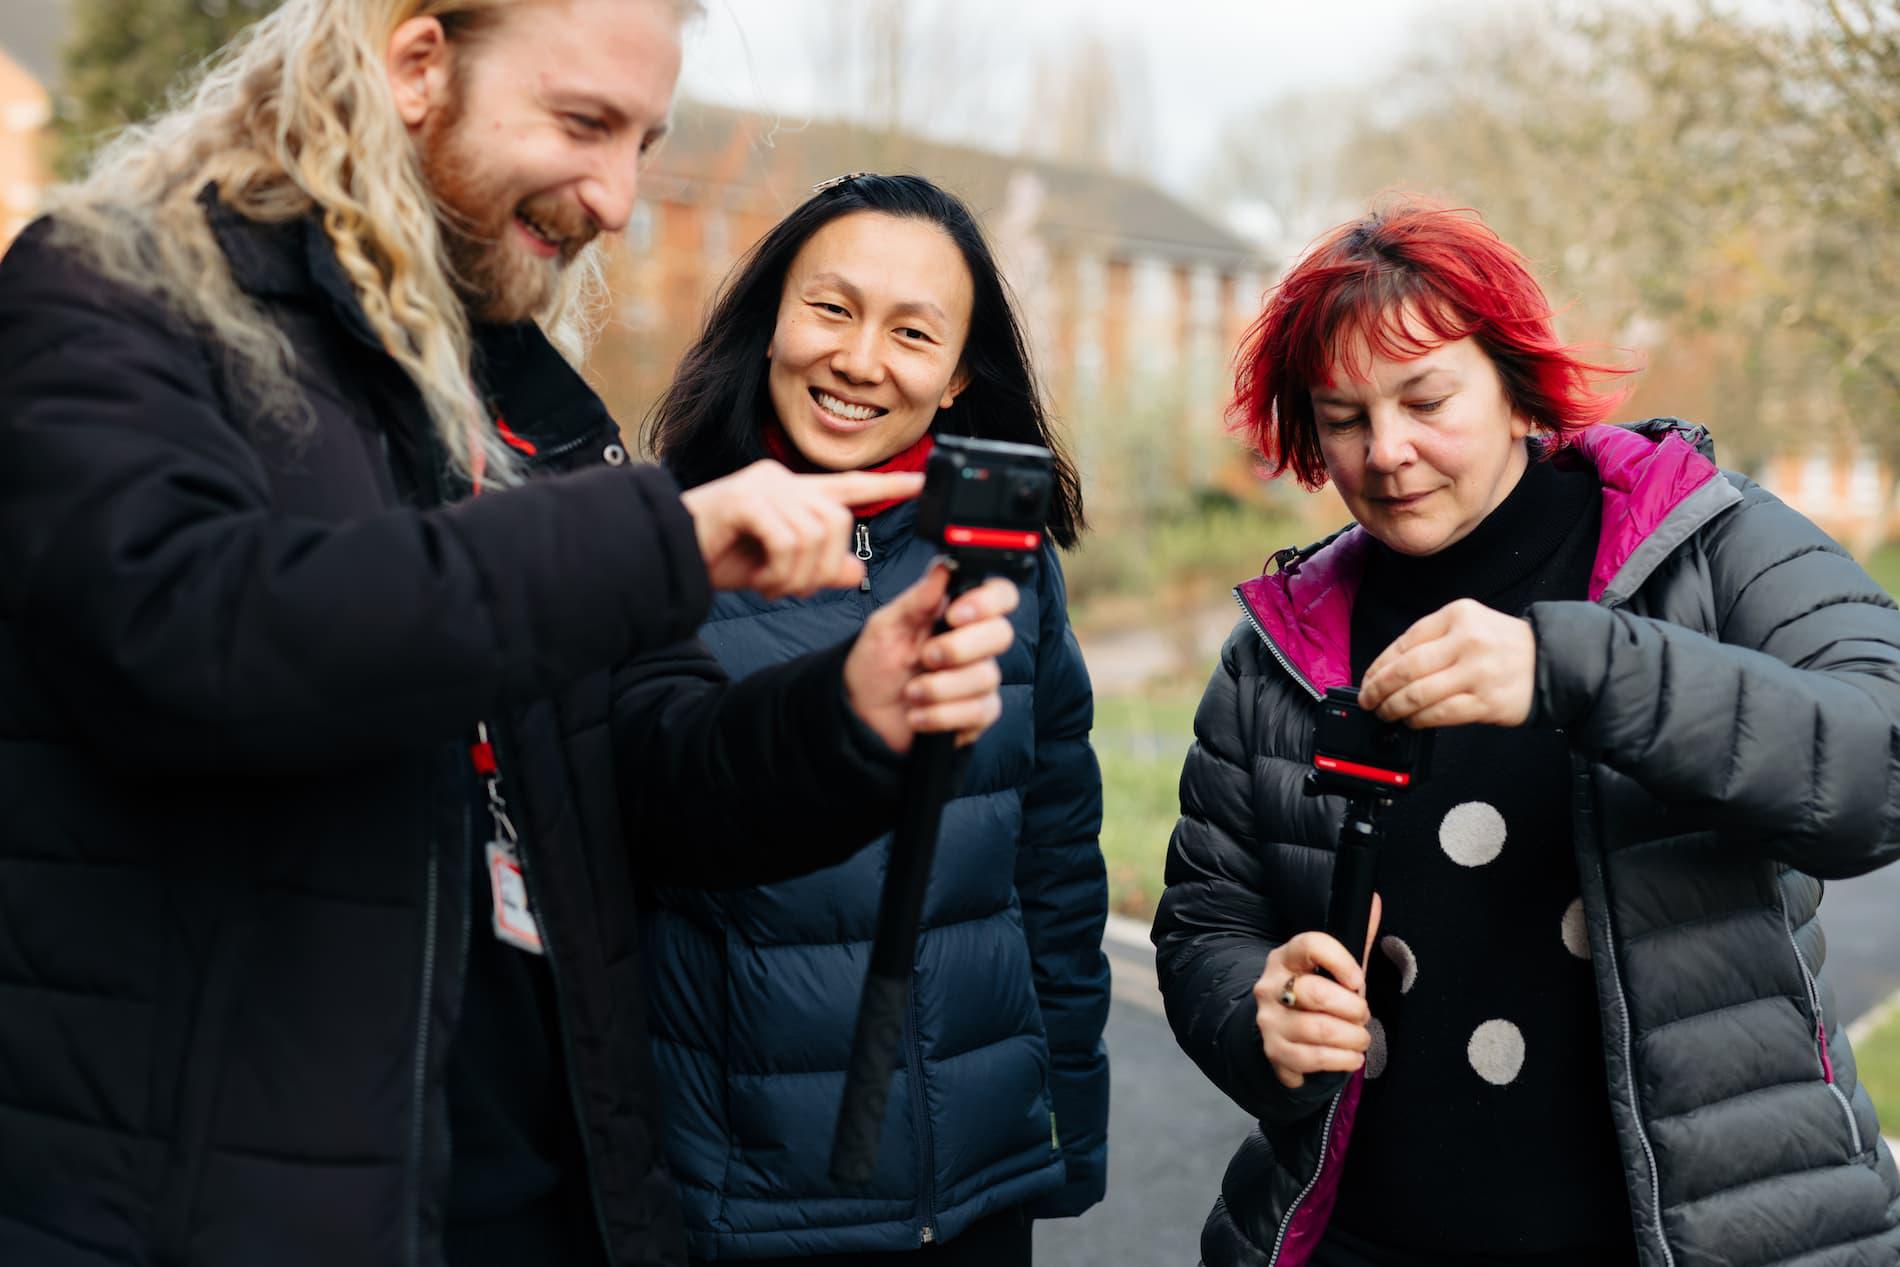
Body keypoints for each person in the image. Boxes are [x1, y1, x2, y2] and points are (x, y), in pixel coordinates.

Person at [0, 4, 1025, 1266]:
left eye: (644, 141)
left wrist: (846, 715)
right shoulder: (118, 294)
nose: (615, 199)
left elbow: (653, 780)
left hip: (536, 1194)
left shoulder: (537, 405)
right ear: (417, 65)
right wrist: (655, 542)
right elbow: (196, 633)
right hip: (225, 1207)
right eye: (584, 124)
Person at [1153, 199, 1900, 1267]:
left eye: (1425, 398)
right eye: (1344, 416)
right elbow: (1206, 920)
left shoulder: (1711, 542)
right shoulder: (1281, 642)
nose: (1388, 451)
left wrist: (1579, 668)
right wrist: (1253, 1014)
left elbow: (1878, 769)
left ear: (1514, 385)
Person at [643, 173, 1109, 1266]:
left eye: (912, 332)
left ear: (955, 380)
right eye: (831, 309)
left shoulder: (1009, 569)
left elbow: (1052, 866)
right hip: (743, 1205)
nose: (859, 360)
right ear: (768, 327)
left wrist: (1063, 1132)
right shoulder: (664, 548)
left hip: (974, 1192)